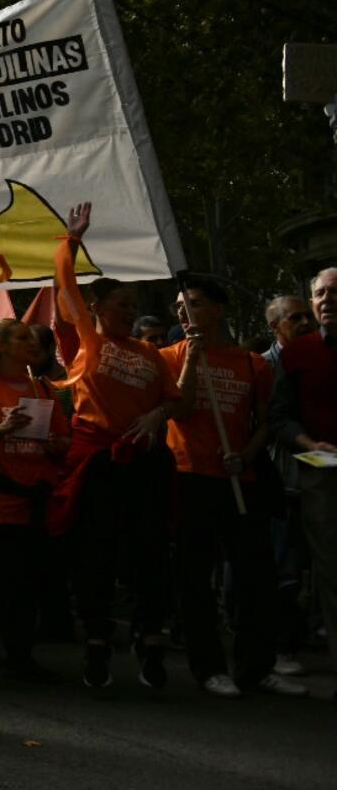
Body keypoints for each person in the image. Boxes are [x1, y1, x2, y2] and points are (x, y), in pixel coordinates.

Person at [52, 202, 180, 690]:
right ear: (98, 309)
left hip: (144, 465)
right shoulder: (85, 342)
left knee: (150, 555)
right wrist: (72, 240)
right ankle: (98, 640)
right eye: (121, 305)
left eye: (134, 306)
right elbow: (65, 285)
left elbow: (177, 401)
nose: (130, 313)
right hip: (97, 465)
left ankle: (150, 638)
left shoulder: (151, 353)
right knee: (96, 556)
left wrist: (157, 413)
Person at [161, 275, 303, 697]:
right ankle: (209, 668)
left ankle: (255, 667)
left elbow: (264, 422)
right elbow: (179, 409)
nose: (186, 311)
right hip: (189, 477)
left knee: (254, 575)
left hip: (239, 478)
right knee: (194, 575)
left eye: (196, 303)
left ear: (219, 309)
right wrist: (191, 360)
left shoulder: (251, 363)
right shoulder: (169, 356)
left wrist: (244, 453)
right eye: (181, 306)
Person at [0, 318, 71, 686]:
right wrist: (1, 430)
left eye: (33, 338)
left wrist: (56, 447)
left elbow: (65, 440)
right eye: (22, 338)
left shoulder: (44, 389)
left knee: (26, 588)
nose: (31, 343)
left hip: (33, 508)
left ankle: (20, 657)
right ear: (0, 345)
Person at [264, 266, 337, 694]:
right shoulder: (296, 355)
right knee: (330, 573)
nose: (327, 300)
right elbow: (279, 418)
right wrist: (310, 442)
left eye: (334, 292)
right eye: (320, 294)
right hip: (321, 478)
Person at [260, 291, 315, 677]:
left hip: (317, 481)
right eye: (294, 318)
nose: (304, 324)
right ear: (274, 325)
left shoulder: (318, 361)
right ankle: (280, 647)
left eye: (305, 317)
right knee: (282, 567)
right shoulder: (260, 368)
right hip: (279, 480)